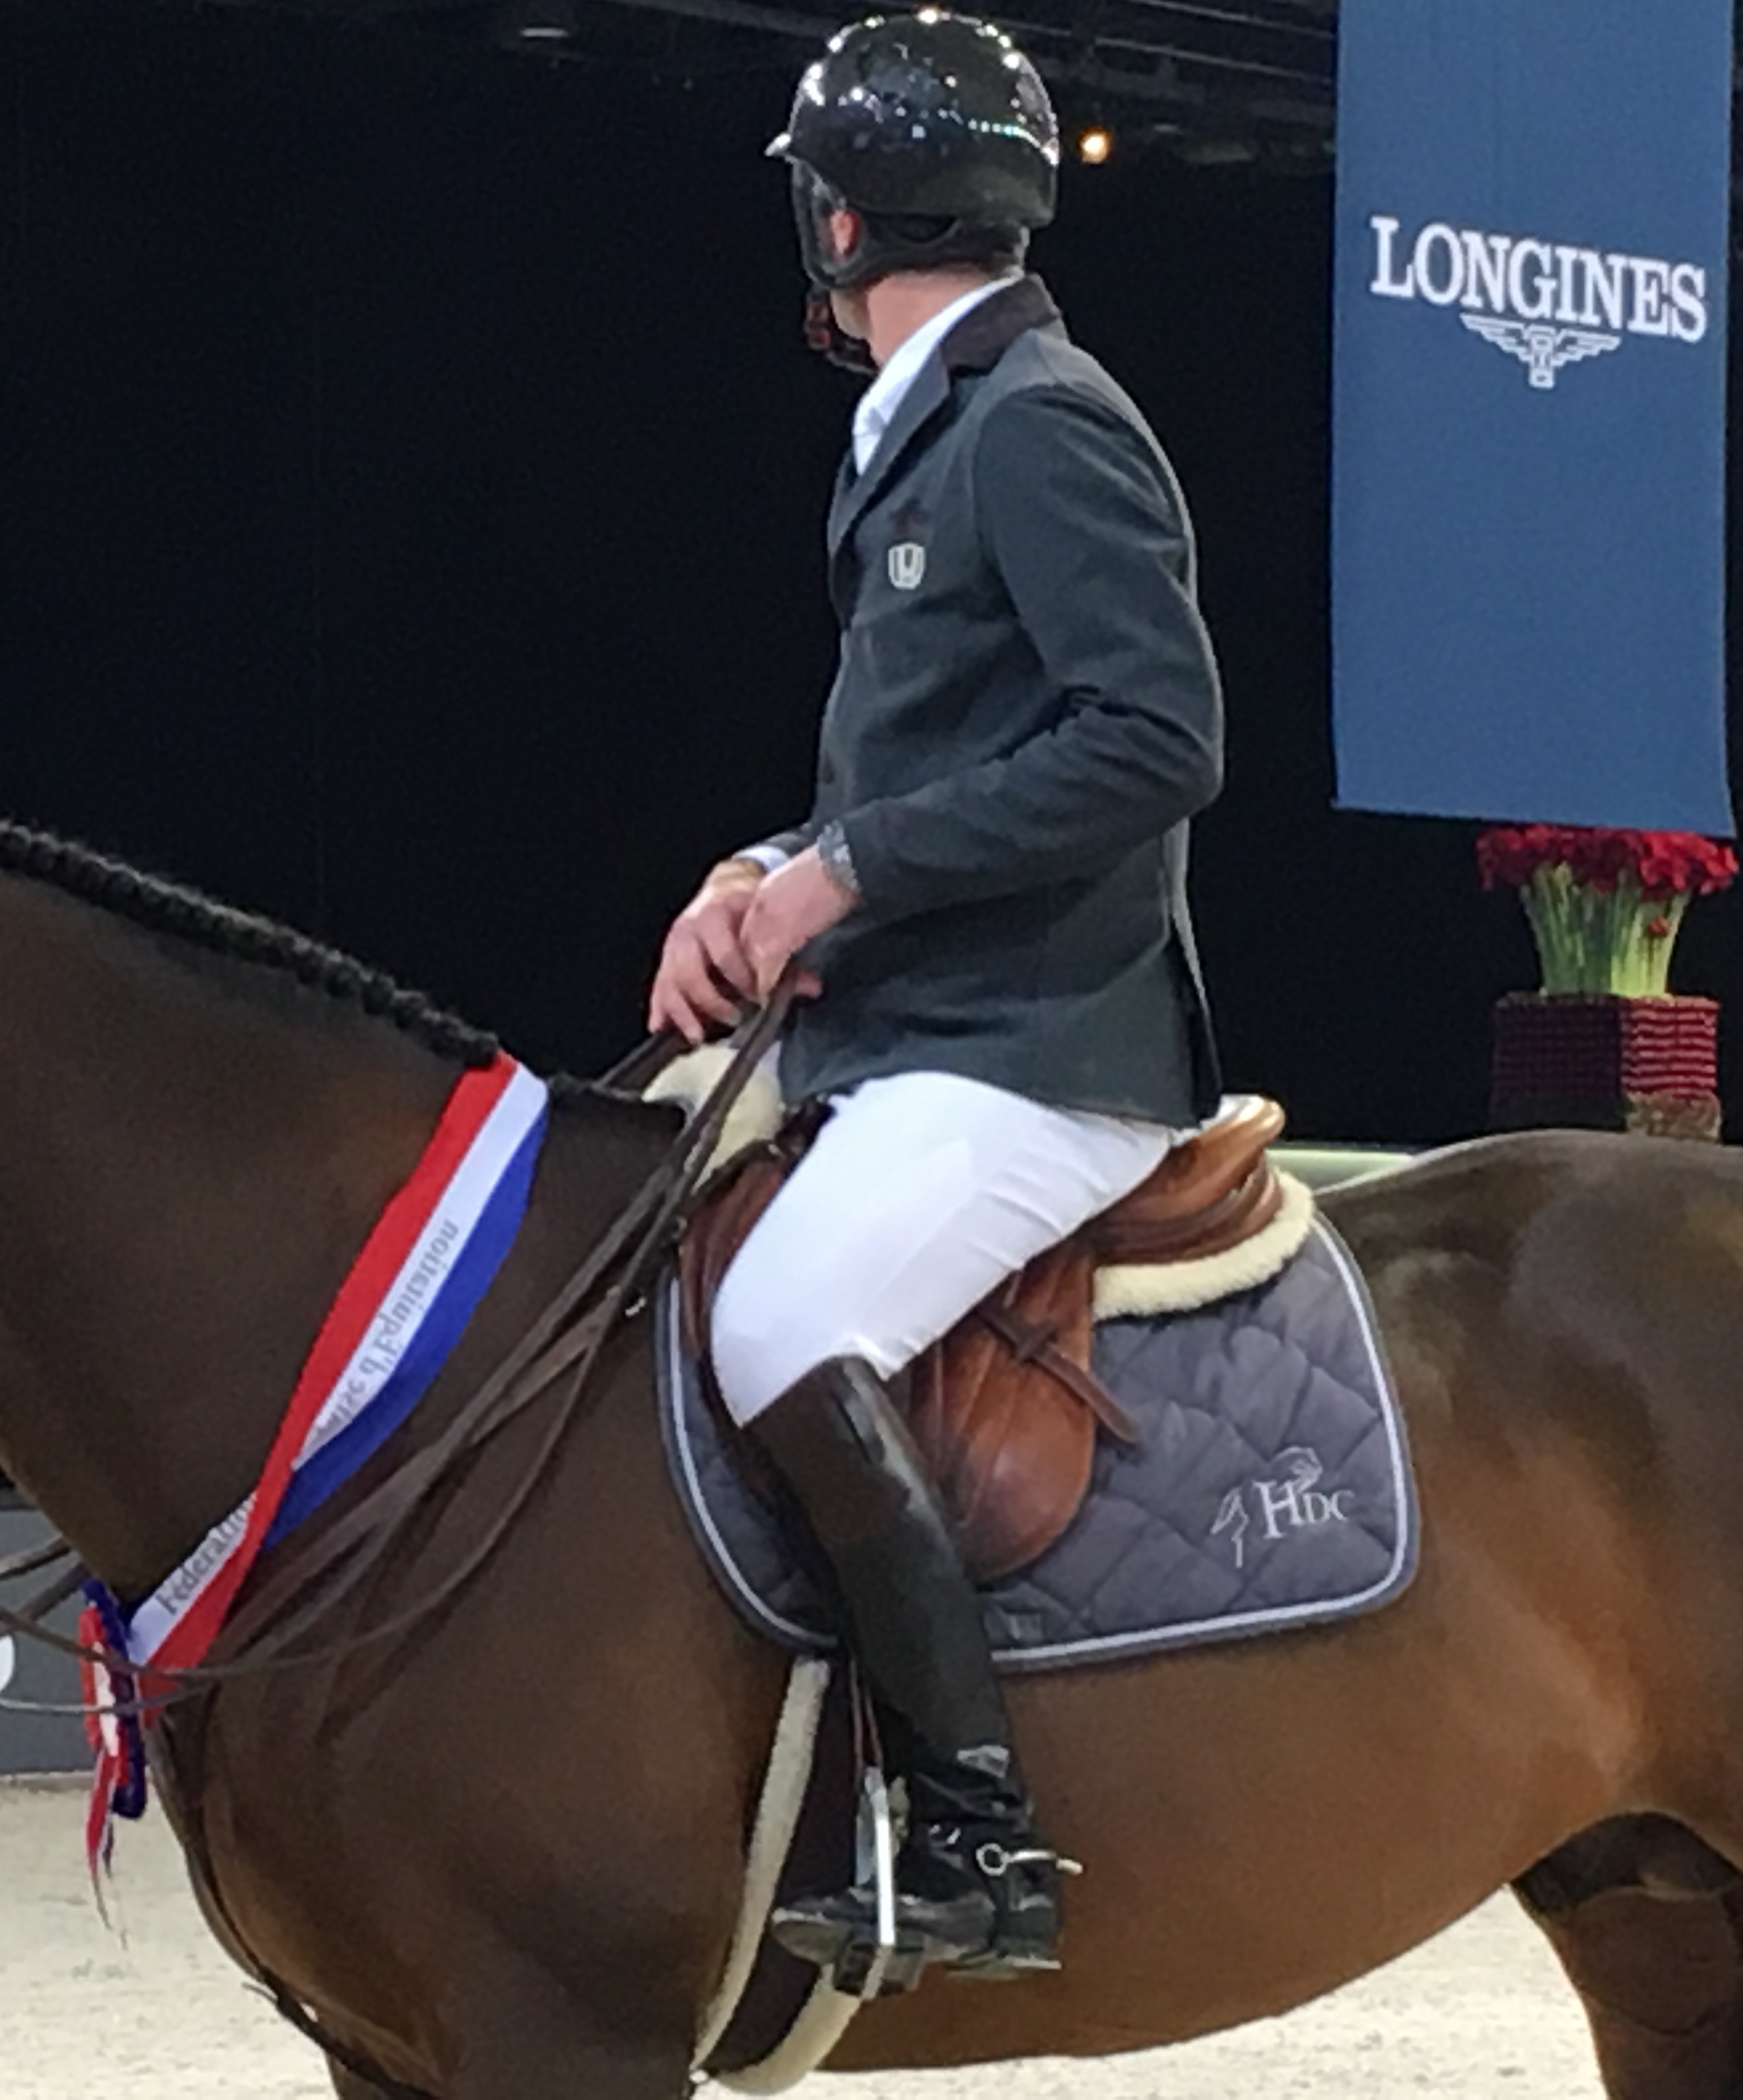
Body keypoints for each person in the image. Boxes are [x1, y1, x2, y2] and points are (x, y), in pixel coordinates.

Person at [648, 10, 1226, 1987]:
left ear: (836, 217)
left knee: (786, 1320)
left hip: (1043, 1044)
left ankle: (978, 1830)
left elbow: (1156, 736)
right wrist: (764, 877)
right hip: (909, 1021)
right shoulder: (928, 420)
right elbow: (905, 774)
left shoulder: (1040, 417)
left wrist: (849, 874)